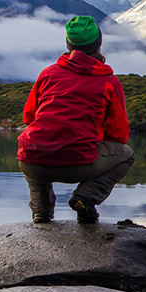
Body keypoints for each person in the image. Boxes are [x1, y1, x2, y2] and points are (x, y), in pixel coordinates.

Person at [17, 16, 133, 224]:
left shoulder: (48, 74)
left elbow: (29, 117)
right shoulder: (108, 81)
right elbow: (119, 134)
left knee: (34, 148)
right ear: (98, 44)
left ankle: (41, 210)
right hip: (79, 163)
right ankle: (86, 197)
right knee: (126, 155)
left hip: (32, 162)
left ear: (69, 44)